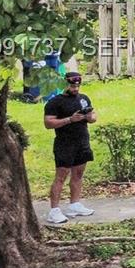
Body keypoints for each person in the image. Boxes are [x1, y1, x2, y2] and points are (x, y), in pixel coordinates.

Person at [43, 71, 97, 224]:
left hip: (82, 141)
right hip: (65, 143)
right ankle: (54, 210)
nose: (76, 88)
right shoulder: (55, 102)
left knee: (78, 174)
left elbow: (93, 116)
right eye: (73, 85)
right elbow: (48, 123)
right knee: (61, 176)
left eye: (78, 85)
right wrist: (69, 119)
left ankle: (75, 204)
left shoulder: (84, 99)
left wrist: (89, 117)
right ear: (65, 84)